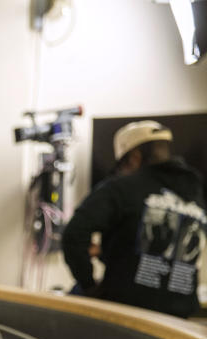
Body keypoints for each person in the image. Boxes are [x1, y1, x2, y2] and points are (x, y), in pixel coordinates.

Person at [62, 120, 206, 318]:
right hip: (180, 315)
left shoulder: (122, 188)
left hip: (126, 312)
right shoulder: (197, 192)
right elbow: (155, 249)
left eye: (121, 166)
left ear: (134, 158)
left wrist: (89, 285)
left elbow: (73, 236)